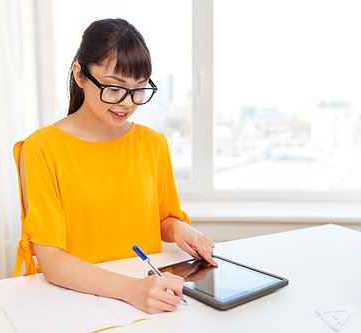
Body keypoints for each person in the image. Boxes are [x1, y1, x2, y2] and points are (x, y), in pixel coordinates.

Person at [13, 18, 216, 314]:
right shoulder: (41, 148)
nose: (126, 103)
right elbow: (52, 260)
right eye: (114, 87)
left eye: (138, 89)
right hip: (76, 303)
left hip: (149, 298)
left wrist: (182, 229)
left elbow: (161, 219)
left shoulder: (153, 144)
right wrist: (130, 290)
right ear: (79, 75)